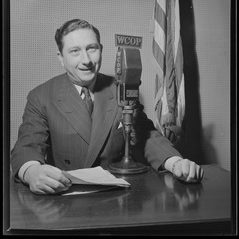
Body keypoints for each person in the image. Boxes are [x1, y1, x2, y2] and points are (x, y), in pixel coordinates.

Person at [11, 19, 204, 195]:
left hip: (116, 197)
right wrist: (31, 172)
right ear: (61, 57)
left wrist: (176, 163)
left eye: (92, 48)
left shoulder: (121, 88)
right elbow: (28, 145)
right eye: (74, 51)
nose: (86, 60)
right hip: (65, 196)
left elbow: (147, 135)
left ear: (101, 49)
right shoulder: (41, 96)